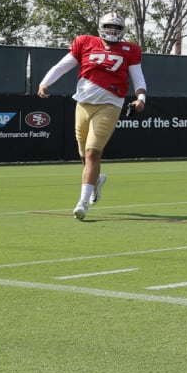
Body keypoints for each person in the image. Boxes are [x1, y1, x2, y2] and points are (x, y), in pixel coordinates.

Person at [36, 12, 147, 220]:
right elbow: (63, 65)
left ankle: (82, 202)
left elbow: (138, 77)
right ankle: (95, 182)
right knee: (83, 155)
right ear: (101, 27)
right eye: (109, 27)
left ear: (121, 30)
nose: (112, 31)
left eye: (116, 28)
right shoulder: (85, 42)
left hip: (110, 103)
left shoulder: (129, 50)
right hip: (83, 103)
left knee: (93, 153)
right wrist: (45, 82)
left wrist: (141, 98)